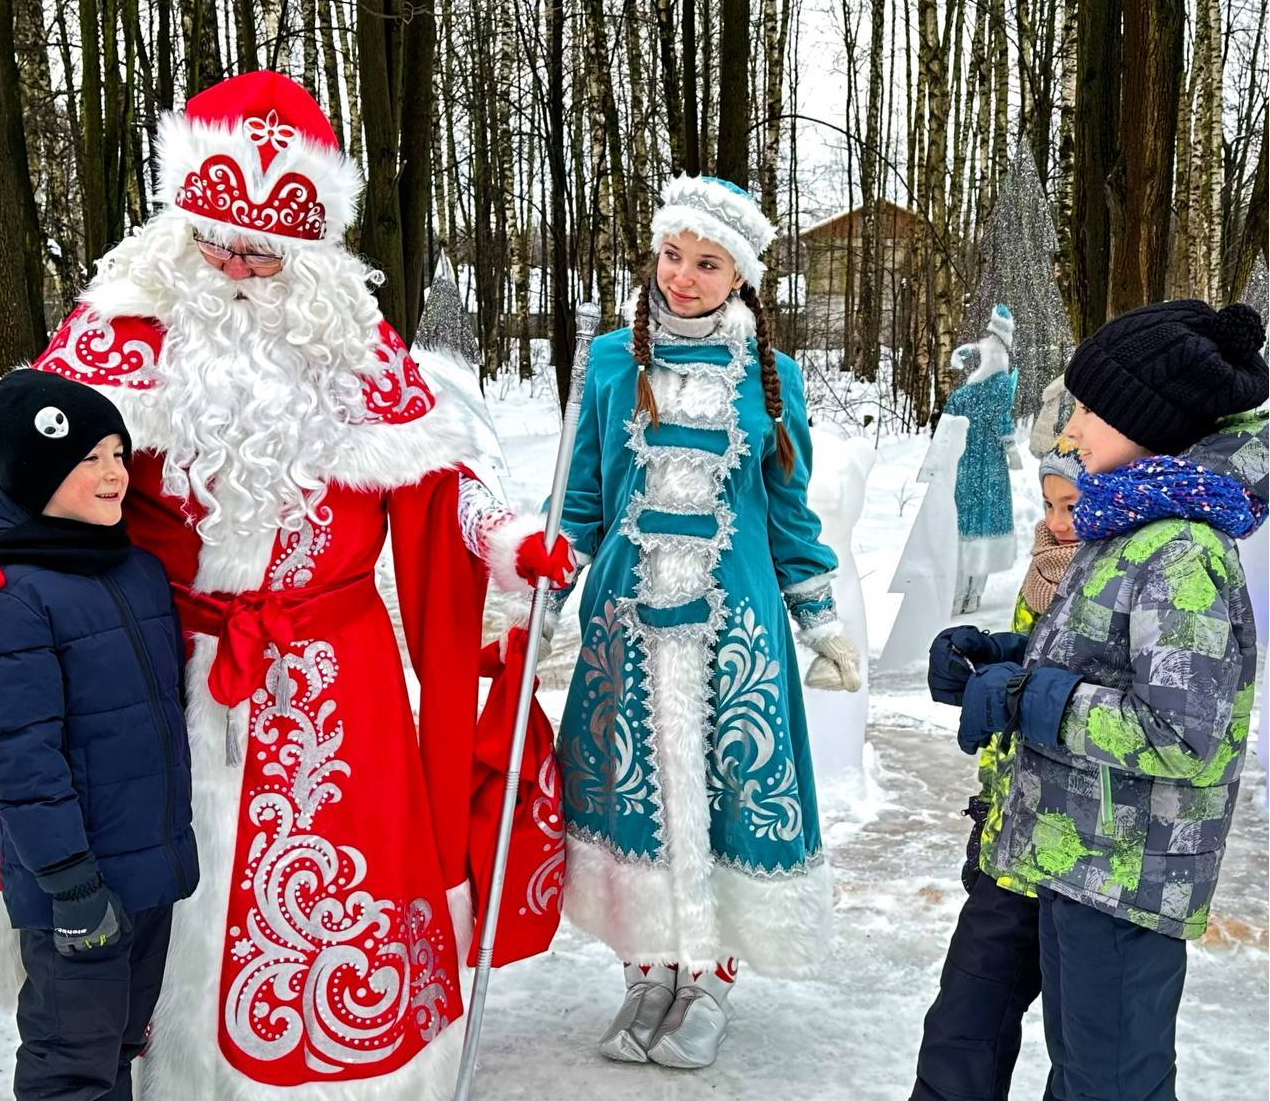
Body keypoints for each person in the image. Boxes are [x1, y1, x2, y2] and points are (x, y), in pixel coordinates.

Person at [23, 70, 571, 1099]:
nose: (234, 265)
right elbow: (33, 483)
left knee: (336, 902)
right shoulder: (113, 335)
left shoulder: (358, 353)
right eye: (215, 238)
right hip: (155, 667)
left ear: (310, 253)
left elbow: (443, 491)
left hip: (332, 676)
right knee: (147, 884)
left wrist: (509, 540)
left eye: (263, 250)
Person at [547, 174, 861, 1070]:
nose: (682, 277)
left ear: (741, 276)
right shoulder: (610, 361)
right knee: (630, 797)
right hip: (627, 627)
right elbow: (577, 505)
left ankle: (712, 978)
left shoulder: (777, 376)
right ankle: (646, 970)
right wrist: (535, 609)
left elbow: (791, 513)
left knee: (730, 793)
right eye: (672, 256)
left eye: (707, 263)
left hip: (738, 630)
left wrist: (819, 621)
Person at [930, 300, 1268, 1101]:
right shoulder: (1127, 522)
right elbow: (1099, 654)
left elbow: (1186, 733)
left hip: (1126, 876)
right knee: (1000, 1051)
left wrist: (1030, 697)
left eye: (1088, 410)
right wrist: (1003, 654)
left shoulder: (1184, 551)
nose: (1070, 431)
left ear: (1147, 419)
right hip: (1067, 848)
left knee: (1106, 1085)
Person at [0, 370, 199, 1100]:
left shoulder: (136, 571)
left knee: (119, 1046)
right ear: (33, 468)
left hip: (146, 878)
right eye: (89, 458)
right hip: (74, 891)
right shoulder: (16, 594)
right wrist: (70, 882)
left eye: (119, 452)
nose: (116, 473)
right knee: (69, 1067)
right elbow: (19, 760)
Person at [912, 439, 1083, 1101]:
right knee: (960, 1027)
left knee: (1091, 1059)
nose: (1058, 518)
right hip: (1012, 844)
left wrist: (1017, 685)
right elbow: (1031, 678)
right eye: (1047, 503)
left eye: (1072, 501)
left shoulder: (1126, 574)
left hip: (1087, 856)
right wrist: (987, 655)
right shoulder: (1045, 568)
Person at [944, 306, 1022, 614]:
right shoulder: (1002, 383)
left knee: (964, 527)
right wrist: (1011, 448)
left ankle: (957, 594)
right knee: (986, 524)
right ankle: (973, 595)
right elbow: (1001, 419)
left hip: (964, 463)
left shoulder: (961, 395)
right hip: (989, 464)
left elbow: (946, 430)